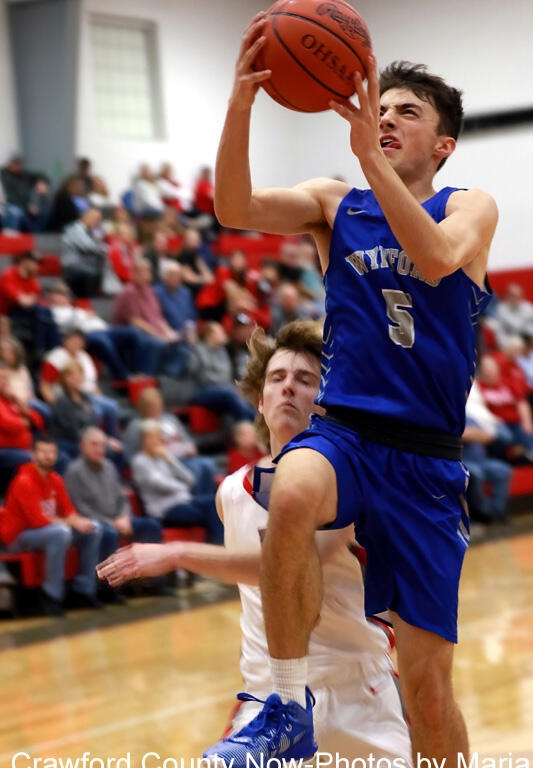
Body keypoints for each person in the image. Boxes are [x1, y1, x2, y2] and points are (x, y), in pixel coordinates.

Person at [208, 12, 499, 763]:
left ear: (443, 144)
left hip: (426, 458)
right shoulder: (335, 203)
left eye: (408, 112)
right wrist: (240, 104)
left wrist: (371, 159)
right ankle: (285, 703)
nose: (388, 118)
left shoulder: (466, 205)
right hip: (345, 430)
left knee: (426, 687)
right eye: (382, 107)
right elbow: (233, 208)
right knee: (290, 494)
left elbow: (435, 259)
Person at [97, 321, 412, 761]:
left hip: (357, 690)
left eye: (305, 380)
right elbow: (262, 583)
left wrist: (177, 552)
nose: (288, 388)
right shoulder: (230, 492)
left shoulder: (348, 479)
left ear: (326, 402)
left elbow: (293, 563)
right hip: (270, 697)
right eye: (277, 378)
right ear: (261, 402)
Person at [0, 436, 102, 615]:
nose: (49, 456)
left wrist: (78, 521)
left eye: (52, 452)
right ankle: (51, 595)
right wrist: (71, 522)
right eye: (43, 451)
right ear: (33, 455)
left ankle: (83, 590)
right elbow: (37, 521)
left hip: (45, 532)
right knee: (60, 533)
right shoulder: (23, 480)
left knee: (93, 528)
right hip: (17, 537)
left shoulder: (55, 479)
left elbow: (69, 511)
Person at [65, 427, 162, 600]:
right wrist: (110, 522)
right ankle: (109, 590)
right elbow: (79, 507)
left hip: (118, 519)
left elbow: (122, 498)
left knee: (151, 525)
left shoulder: (109, 466)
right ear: (82, 447)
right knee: (108, 533)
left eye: (102, 445)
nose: (99, 449)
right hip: (97, 522)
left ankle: (153, 582)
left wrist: (124, 517)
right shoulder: (74, 471)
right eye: (94, 444)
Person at [130, 420, 223, 544]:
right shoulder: (140, 461)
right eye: (154, 437)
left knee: (215, 501)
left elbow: (190, 479)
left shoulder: (163, 456)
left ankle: (218, 547)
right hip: (165, 510)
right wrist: (183, 488)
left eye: (159, 437)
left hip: (185, 500)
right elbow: (160, 484)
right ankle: (217, 547)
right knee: (210, 514)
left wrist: (170, 460)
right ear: (145, 439)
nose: (158, 441)